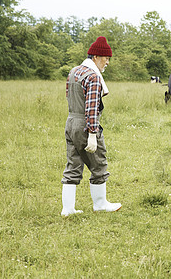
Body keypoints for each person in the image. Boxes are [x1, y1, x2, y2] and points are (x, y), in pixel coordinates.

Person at [61, 36, 121, 216]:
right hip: (85, 125)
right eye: (106, 58)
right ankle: (100, 204)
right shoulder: (93, 76)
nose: (107, 62)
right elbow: (92, 107)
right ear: (95, 57)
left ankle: (68, 209)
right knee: (99, 165)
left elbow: (69, 97)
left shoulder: (73, 71)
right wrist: (92, 134)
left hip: (70, 122)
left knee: (73, 165)